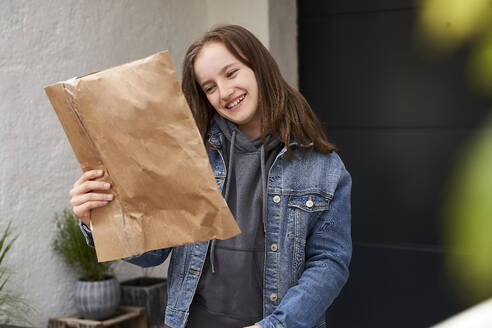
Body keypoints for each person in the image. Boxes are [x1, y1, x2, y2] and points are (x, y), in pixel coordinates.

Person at [69, 24, 352, 328]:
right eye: (210, 87)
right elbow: (154, 253)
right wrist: (97, 220)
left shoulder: (323, 167)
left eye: (231, 73)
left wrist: (276, 325)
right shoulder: (188, 157)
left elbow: (329, 264)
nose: (225, 92)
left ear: (259, 67)